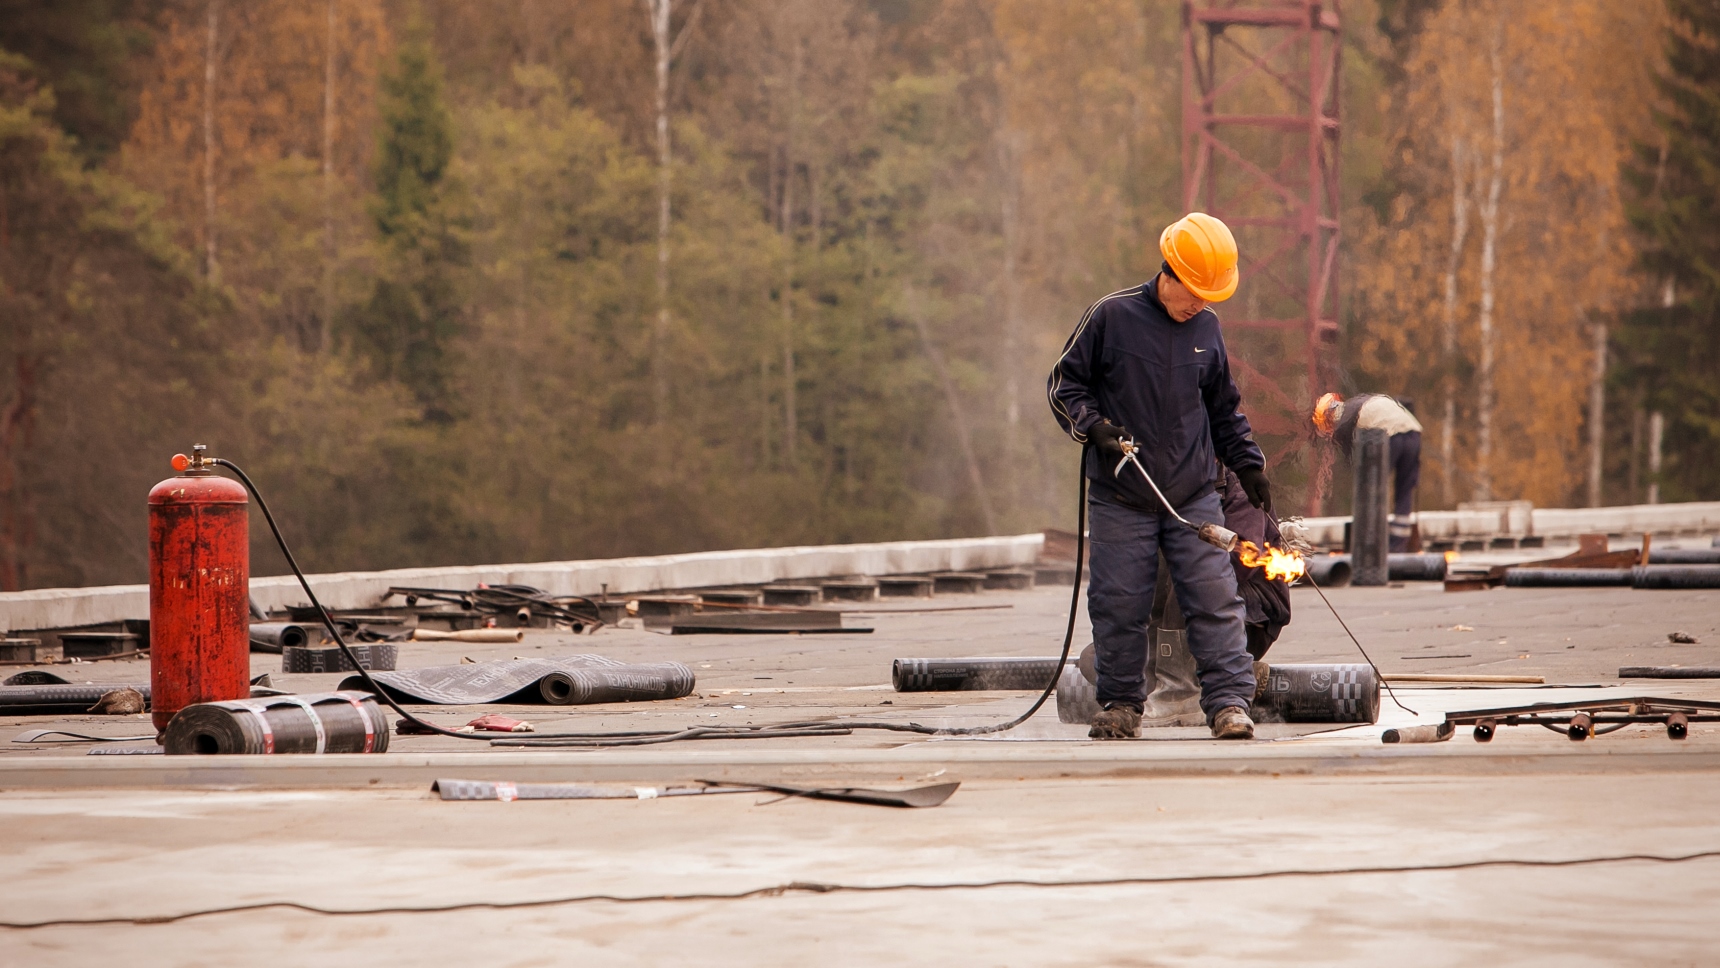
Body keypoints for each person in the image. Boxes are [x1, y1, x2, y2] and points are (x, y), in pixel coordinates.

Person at [1047, 212, 1271, 741]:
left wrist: (1248, 464)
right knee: (1119, 601)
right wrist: (1093, 427)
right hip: (1123, 493)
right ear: (1168, 271)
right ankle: (1122, 704)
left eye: (1208, 294)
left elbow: (1224, 410)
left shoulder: (1207, 329)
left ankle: (1229, 705)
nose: (1200, 302)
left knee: (1214, 599)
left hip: (1193, 494)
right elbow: (1064, 385)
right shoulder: (1112, 317)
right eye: (1193, 291)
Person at [1314, 392, 1423, 551]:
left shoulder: (1343, 418)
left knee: (1372, 488)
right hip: (1413, 432)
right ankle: (1399, 543)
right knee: (1404, 488)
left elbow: (1354, 460)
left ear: (1328, 417)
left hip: (1390, 437)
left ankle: (1370, 543)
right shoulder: (1359, 404)